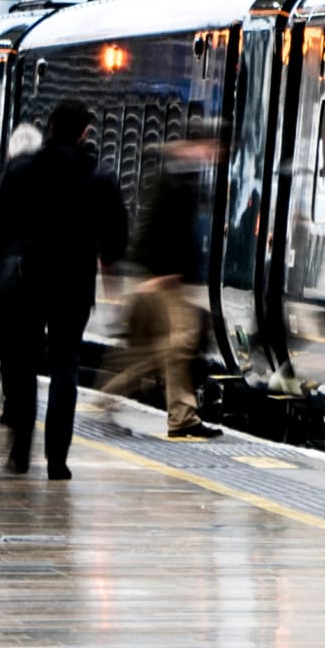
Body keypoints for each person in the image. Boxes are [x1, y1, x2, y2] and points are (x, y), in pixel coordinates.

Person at [0, 98, 126, 478]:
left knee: (21, 364)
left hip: (25, 282)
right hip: (74, 287)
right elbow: (114, 243)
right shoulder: (100, 179)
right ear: (84, 133)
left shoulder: (21, 171)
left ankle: (20, 449)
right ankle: (57, 459)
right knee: (65, 368)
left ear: (50, 127)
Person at [103, 118, 220, 439]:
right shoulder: (174, 178)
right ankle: (170, 413)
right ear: (203, 144)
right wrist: (152, 273)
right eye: (215, 146)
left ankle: (180, 416)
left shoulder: (185, 176)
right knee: (179, 345)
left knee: (166, 348)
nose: (217, 153)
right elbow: (151, 225)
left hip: (171, 279)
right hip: (163, 279)